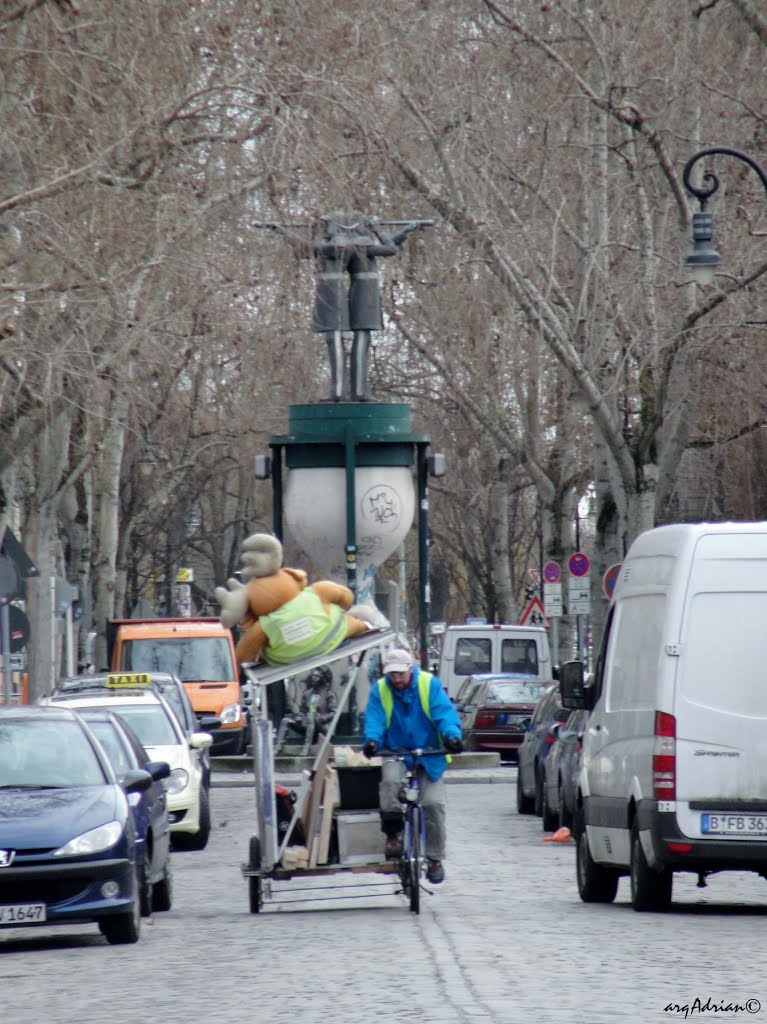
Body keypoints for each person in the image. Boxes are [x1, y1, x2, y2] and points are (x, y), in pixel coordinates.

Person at [361, 647, 463, 885]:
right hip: (395, 749)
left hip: (429, 752)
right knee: (390, 783)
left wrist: (451, 736)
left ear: (410, 668)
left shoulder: (429, 684)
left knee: (433, 804)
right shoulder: (381, 689)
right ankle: (393, 834)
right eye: (391, 674)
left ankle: (435, 858)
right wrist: (372, 741)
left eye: (400, 674)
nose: (396, 679)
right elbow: (374, 719)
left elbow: (444, 714)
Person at [273, 666, 338, 756]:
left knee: (311, 716)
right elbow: (303, 711)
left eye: (317, 677)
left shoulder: (329, 695)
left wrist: (322, 718)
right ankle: (278, 747)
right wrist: (299, 716)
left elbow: (334, 713)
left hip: (322, 728)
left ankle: (306, 748)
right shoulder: (307, 694)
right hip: (309, 726)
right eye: (313, 676)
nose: (314, 679)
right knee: (286, 720)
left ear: (322, 679)